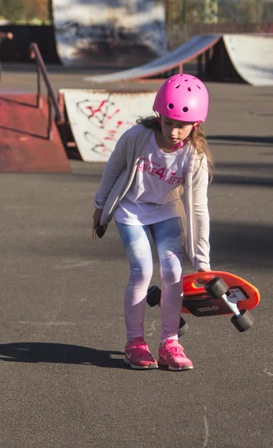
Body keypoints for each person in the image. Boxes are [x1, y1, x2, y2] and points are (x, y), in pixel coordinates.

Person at [92, 74, 214, 371]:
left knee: (173, 271)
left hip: (166, 210)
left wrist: (203, 261)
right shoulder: (137, 137)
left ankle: (170, 343)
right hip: (130, 209)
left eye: (181, 126)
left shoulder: (194, 157)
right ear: (159, 115)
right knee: (142, 269)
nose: (173, 131)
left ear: (195, 125)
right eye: (168, 122)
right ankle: (135, 343)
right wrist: (99, 207)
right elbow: (113, 168)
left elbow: (198, 208)